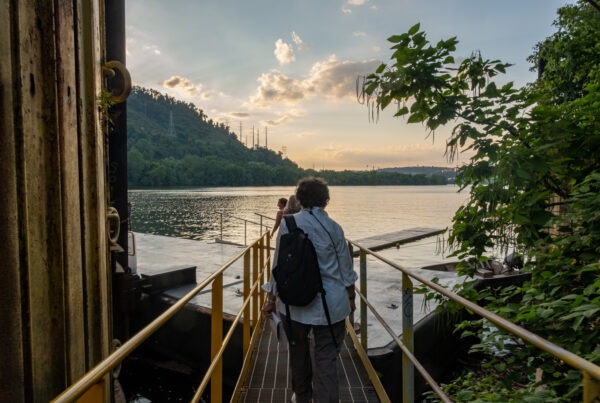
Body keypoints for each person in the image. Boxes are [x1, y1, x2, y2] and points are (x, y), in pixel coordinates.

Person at [262, 177, 358, 403]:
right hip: (330, 306)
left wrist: (270, 298)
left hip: (292, 304)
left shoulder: (288, 223)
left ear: (301, 199)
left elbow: (278, 266)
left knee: (298, 352)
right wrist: (351, 298)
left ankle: (302, 397)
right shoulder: (335, 228)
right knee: (326, 358)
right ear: (325, 200)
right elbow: (346, 271)